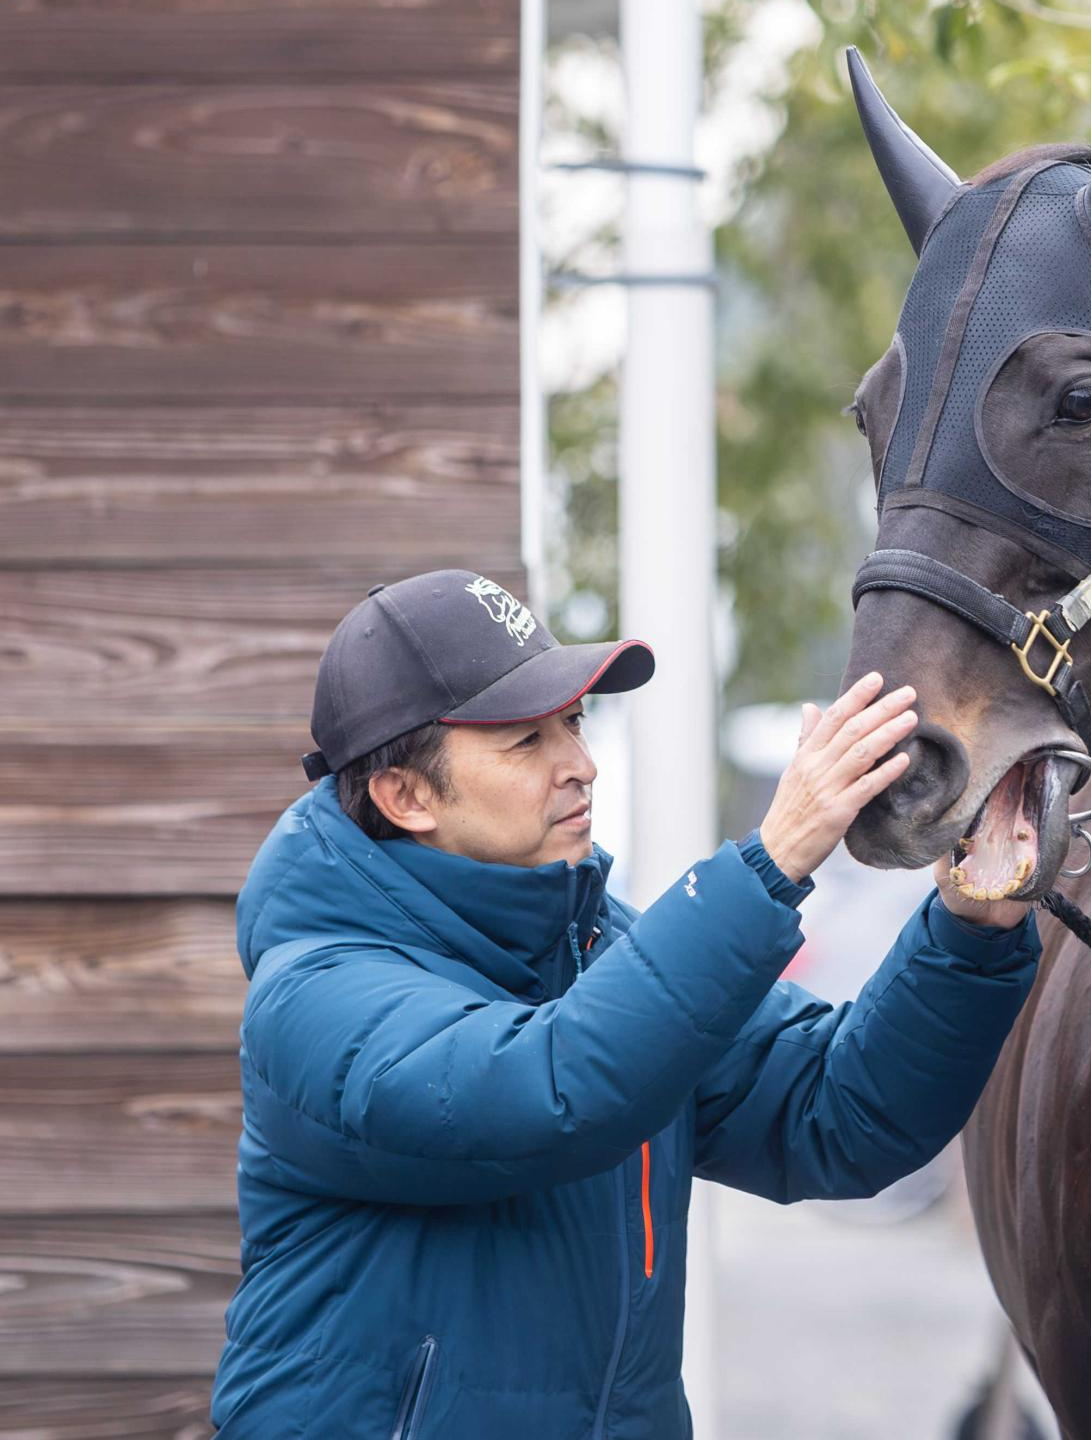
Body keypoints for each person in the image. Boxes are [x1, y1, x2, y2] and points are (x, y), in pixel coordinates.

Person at [212, 570, 1037, 1438]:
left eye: (573, 722)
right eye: (527, 742)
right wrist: (773, 858)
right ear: (406, 797)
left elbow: (840, 1114)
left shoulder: (598, 948)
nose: (582, 764)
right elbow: (550, 1089)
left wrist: (973, 925)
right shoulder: (313, 996)